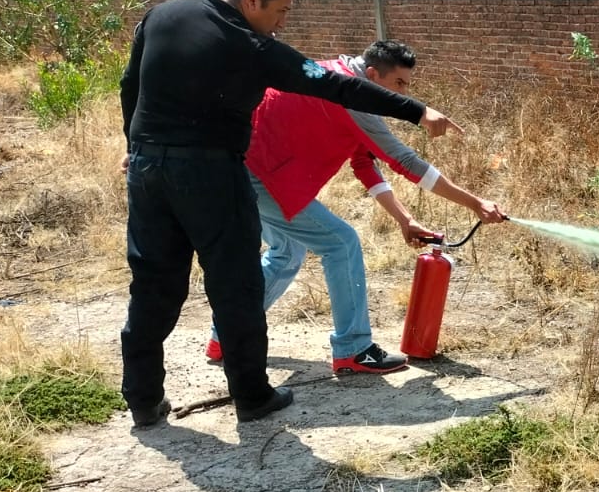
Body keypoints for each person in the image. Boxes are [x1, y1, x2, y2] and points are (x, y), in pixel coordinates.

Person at [118, 0, 457, 428]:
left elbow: (130, 84)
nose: (283, 23)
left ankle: (142, 398)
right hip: (212, 176)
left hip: (148, 171)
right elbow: (338, 87)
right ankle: (253, 396)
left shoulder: (164, 15)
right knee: (235, 285)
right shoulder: (251, 47)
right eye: (281, 11)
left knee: (154, 285)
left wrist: (133, 146)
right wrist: (417, 112)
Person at [205, 39, 506, 375]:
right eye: (398, 84)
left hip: (247, 165)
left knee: (286, 252)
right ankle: (353, 349)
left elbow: (363, 161)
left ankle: (226, 336)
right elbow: (404, 160)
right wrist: (476, 203)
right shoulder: (353, 98)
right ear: (374, 74)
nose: (402, 95)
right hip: (260, 173)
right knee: (341, 242)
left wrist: (404, 220)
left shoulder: (344, 78)